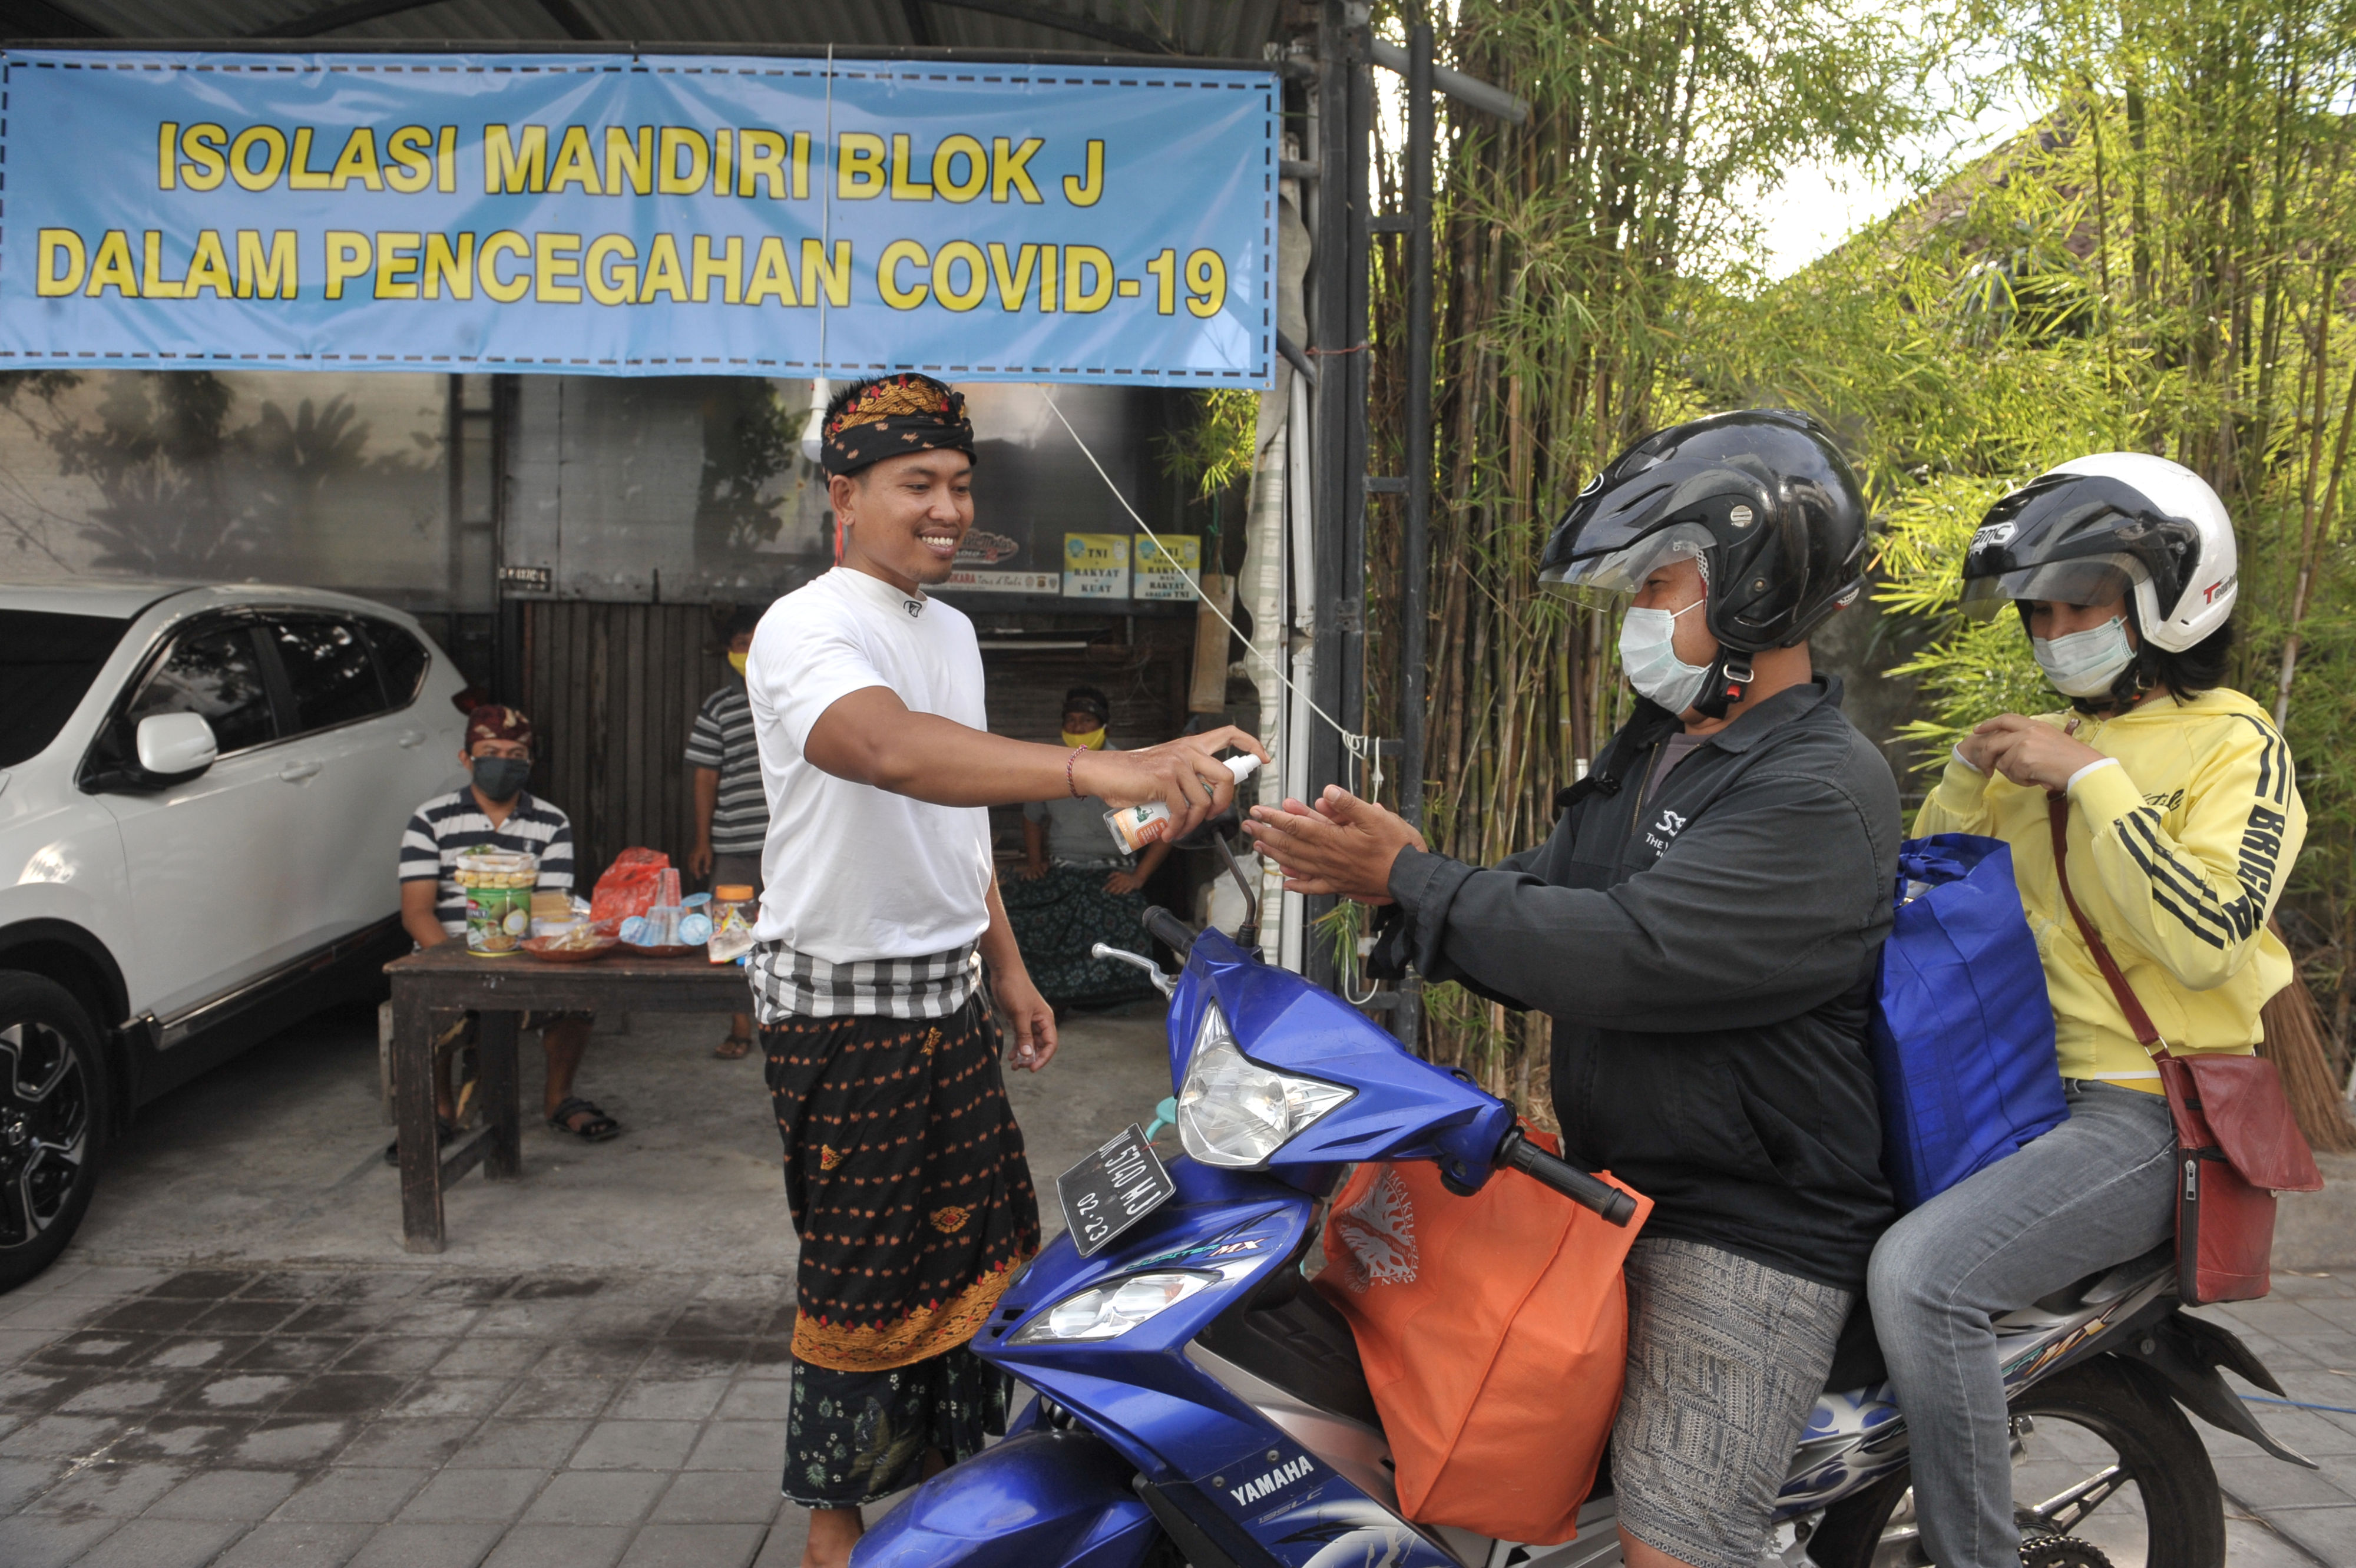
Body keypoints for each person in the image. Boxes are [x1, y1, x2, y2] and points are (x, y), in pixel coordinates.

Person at [1245, 409, 1901, 1568]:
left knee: (1669, 1552)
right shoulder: (1659, 746)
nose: (1636, 613)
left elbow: (1633, 951)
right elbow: (1550, 898)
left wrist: (1415, 881)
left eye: (1657, 582)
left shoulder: (1817, 789)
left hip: (1745, 1225)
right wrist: (1403, 889)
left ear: (1753, 587)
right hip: (1613, 1180)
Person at [743, 373, 1263, 1568]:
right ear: (844, 495)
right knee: (864, 1277)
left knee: (982, 1250)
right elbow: (886, 751)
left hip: (946, 993)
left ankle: (947, 1499)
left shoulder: (951, 631)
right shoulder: (808, 625)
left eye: (959, 484)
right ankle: (835, 1533)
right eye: (915, 483)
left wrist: (1009, 967)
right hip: (844, 1006)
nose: (946, 507)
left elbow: (959, 816)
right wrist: (1100, 769)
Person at [1868, 454, 2307, 1568]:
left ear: (2171, 599)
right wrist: (1966, 776)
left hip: (2142, 1111)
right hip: (2005, 1096)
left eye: (2082, 605)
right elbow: (1926, 907)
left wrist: (2092, 780)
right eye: (2041, 612)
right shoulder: (2040, 749)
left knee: (1923, 1278)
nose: (2056, 631)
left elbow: (2210, 937)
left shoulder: (2236, 742)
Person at [389, 704, 620, 1165]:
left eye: (515, 754)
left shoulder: (551, 822)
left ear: (529, 763)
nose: (503, 762)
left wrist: (518, 964)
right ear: (466, 759)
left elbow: (551, 908)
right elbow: (416, 913)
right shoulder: (430, 820)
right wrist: (460, 964)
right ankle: (439, 1111)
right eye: (490, 752)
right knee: (425, 1003)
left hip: (525, 957)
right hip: (445, 955)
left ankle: (559, 1099)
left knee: (578, 996)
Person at [1002, 684, 1173, 1007]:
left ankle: (1100, 1000)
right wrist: (1036, 861)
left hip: (1112, 877)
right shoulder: (1049, 767)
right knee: (1014, 920)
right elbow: (1031, 817)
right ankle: (1044, 996)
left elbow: (1168, 826)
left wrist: (1139, 877)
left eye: (1087, 721)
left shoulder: (1131, 768)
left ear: (1104, 725)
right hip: (1061, 873)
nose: (1078, 727)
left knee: (1126, 927)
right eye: (1071, 720)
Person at [687, 603, 769, 1057]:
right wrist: (703, 841)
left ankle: (785, 1026)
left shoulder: (800, 698)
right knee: (732, 939)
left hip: (793, 849)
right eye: (742, 644)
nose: (751, 651)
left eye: (760, 641)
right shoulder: (719, 706)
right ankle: (740, 1028)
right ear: (729, 651)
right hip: (734, 844)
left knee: (794, 938)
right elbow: (706, 776)